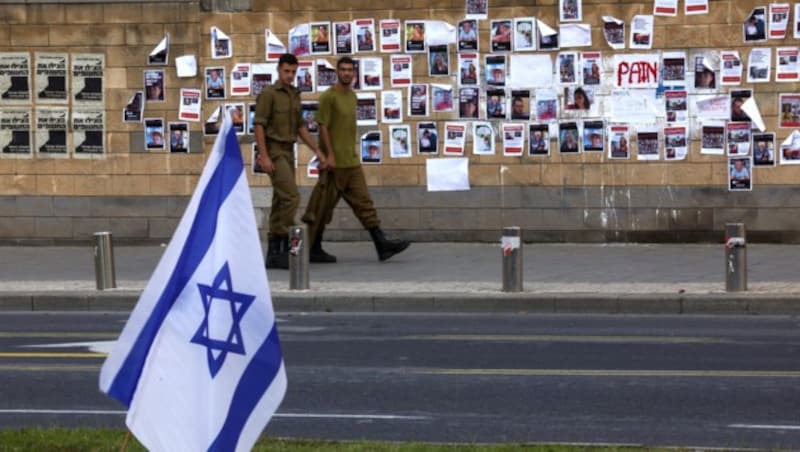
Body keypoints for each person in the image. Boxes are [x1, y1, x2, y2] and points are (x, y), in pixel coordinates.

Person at [302, 56, 410, 263]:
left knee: (364, 204)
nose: (346, 73)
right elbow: (322, 125)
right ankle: (312, 248)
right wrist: (328, 155)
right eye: (343, 70)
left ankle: (382, 244)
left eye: (350, 70)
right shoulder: (328, 97)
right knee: (321, 208)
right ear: (337, 72)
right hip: (334, 165)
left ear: (354, 74)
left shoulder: (352, 97)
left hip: (351, 163)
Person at [254, 53, 326, 269]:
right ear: (278, 70)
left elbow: (300, 127)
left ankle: (274, 252)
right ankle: (284, 239)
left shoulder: (295, 95)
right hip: (274, 149)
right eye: (286, 71)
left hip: (288, 150)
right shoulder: (269, 94)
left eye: (293, 72)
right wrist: (264, 156)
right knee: (291, 196)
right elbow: (259, 125)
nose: (290, 75)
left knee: (280, 198)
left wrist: (317, 150)